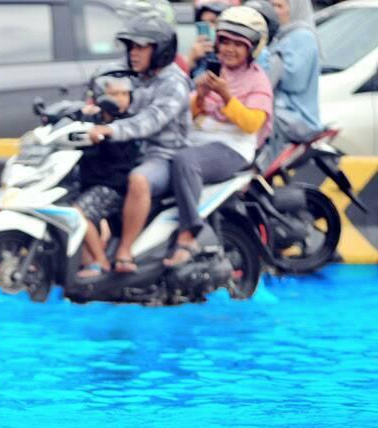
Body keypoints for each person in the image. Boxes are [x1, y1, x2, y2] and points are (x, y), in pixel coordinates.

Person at [165, 6, 273, 266]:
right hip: (198, 141)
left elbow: (252, 123)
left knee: (185, 160)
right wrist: (201, 96)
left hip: (232, 148)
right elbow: (186, 115)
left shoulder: (258, 81)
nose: (229, 49)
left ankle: (189, 234)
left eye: (238, 44)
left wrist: (226, 96)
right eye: (225, 41)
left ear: (252, 49)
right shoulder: (212, 72)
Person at [88, 17, 192, 273]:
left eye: (141, 47)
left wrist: (110, 129)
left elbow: (148, 122)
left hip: (164, 157)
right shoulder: (136, 76)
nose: (133, 53)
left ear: (160, 50)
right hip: (134, 152)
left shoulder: (174, 84)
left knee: (139, 179)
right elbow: (108, 87)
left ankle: (125, 251)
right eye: (131, 47)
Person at [73, 67, 142, 278]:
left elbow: (119, 156)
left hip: (114, 187)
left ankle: (101, 262)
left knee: (78, 214)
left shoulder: (127, 124)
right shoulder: (92, 120)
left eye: (124, 94)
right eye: (114, 94)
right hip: (89, 185)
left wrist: (103, 135)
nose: (120, 99)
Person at [258, 0, 321, 162]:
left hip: (296, 116)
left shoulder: (302, 36)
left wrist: (274, 63)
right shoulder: (282, 35)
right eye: (271, 5)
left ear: (295, 9)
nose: (274, 11)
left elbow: (295, 82)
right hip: (283, 113)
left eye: (279, 6)